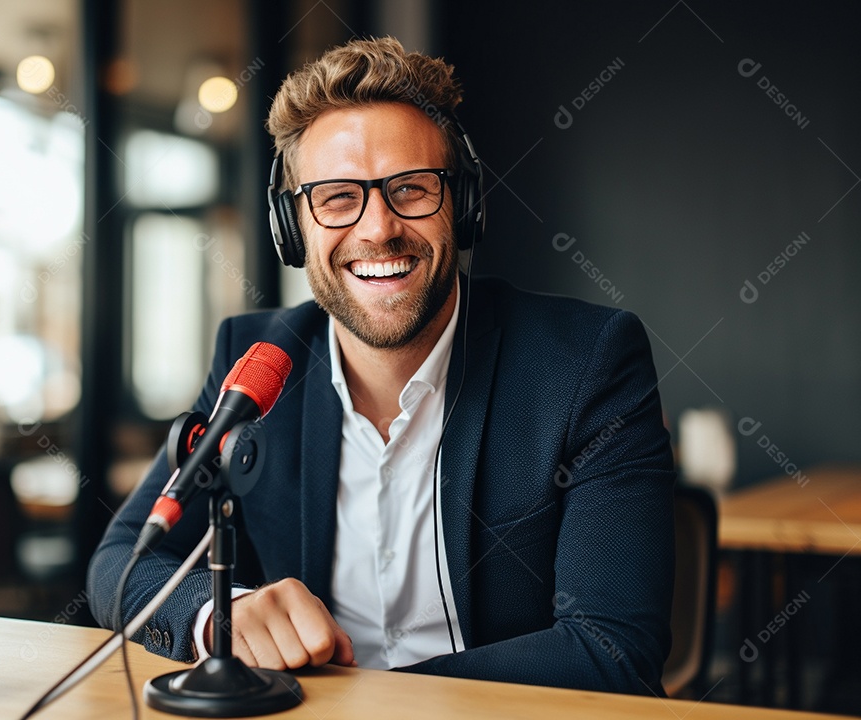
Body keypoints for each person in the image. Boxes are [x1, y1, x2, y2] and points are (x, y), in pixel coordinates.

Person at [88, 36, 675, 696]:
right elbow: (122, 560)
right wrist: (216, 615)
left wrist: (367, 699)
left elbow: (613, 648)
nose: (378, 229)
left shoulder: (587, 362)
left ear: (464, 205)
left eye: (412, 189)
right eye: (338, 197)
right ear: (292, 226)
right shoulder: (253, 360)